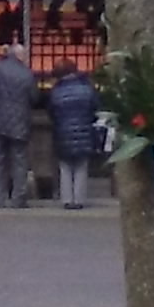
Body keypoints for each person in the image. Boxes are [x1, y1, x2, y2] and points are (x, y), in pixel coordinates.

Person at [0, 44, 37, 208]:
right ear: (21, 56)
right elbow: (34, 98)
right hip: (20, 121)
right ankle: (18, 197)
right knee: (19, 161)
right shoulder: (28, 74)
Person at [46, 60, 102, 211]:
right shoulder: (87, 88)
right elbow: (96, 107)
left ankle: (66, 199)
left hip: (62, 130)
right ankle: (79, 198)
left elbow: (51, 111)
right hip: (84, 129)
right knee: (81, 165)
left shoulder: (56, 91)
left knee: (64, 166)